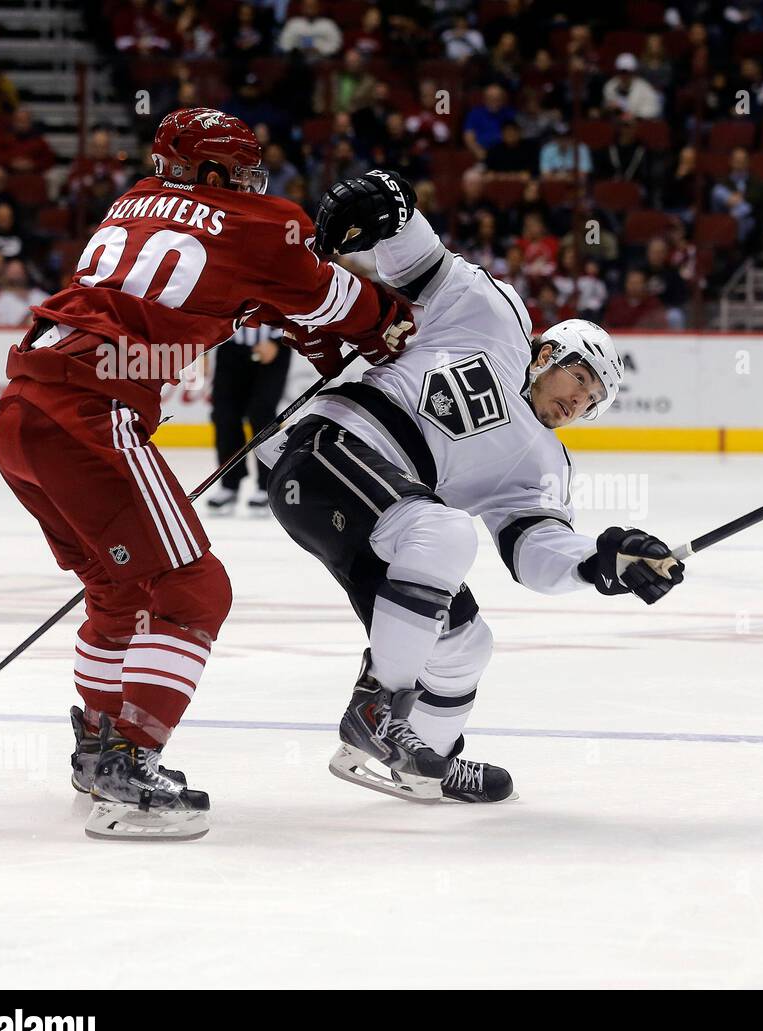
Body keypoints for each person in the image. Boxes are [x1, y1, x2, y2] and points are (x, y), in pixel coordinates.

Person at [0, 109, 414, 840]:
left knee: (118, 590)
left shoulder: (131, 201)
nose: (252, 181)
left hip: (21, 410)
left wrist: (294, 317)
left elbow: (231, 288)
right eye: (242, 170)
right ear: (216, 174)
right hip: (92, 411)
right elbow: (332, 299)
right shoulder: (260, 221)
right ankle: (131, 760)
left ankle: (98, 749)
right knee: (193, 589)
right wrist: (387, 320)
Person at [258, 169, 686, 804]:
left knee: (466, 645)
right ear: (548, 354)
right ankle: (378, 709)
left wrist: (606, 560)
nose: (580, 402)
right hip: (326, 455)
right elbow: (418, 259)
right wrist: (393, 203)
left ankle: (422, 762)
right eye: (581, 380)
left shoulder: (541, 466)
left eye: (594, 401)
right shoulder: (496, 318)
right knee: (445, 529)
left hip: (381, 522)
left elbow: (537, 555)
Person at [206, 323, 292, 515]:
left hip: (275, 346)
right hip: (231, 347)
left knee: (262, 414)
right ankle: (229, 484)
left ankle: (268, 485)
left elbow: (294, 303)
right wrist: (202, 351)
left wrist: (277, 340)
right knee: (224, 414)